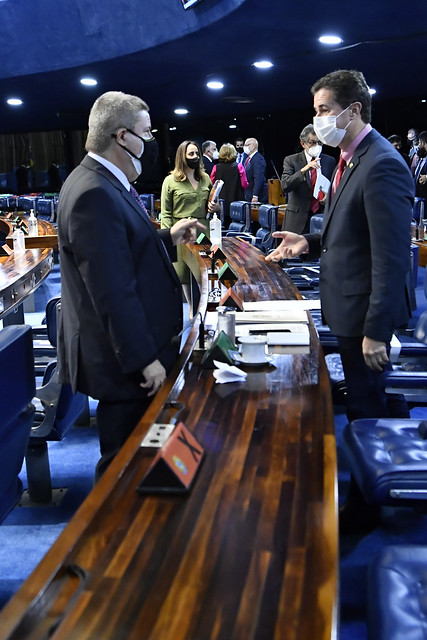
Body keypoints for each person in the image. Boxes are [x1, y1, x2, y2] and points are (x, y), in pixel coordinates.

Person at [266, 69, 414, 532]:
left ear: (354, 110)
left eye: (325, 110)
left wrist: (376, 330)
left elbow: (390, 257)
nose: (319, 120)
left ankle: (367, 509)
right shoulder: (350, 158)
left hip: (363, 313)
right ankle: (367, 490)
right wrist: (307, 241)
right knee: (361, 403)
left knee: (365, 408)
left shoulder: (382, 162)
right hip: (346, 304)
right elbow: (350, 234)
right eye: (316, 112)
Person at [57, 91, 204, 479]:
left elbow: (120, 248)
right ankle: (110, 519)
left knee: (145, 453)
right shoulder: (93, 192)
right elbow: (111, 288)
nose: (152, 140)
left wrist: (168, 236)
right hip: (125, 362)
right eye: (147, 131)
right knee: (124, 465)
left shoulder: (101, 180)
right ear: (122, 136)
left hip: (130, 351)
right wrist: (143, 359)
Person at [161, 140, 220, 303]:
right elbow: (166, 213)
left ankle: (207, 307)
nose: (195, 157)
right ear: (182, 157)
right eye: (191, 154)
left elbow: (214, 205)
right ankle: (192, 310)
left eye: (197, 154)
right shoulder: (170, 181)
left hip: (203, 231)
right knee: (183, 275)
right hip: (181, 231)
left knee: (207, 271)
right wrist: (168, 239)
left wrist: (216, 207)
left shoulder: (205, 178)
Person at [280, 124, 336, 234]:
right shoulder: (291, 160)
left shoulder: (329, 161)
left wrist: (329, 196)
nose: (317, 146)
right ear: (303, 143)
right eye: (313, 142)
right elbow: (285, 185)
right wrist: (303, 170)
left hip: (321, 216)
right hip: (297, 219)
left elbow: (335, 186)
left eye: (320, 143)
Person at [210, 142, 249, 228]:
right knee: (237, 227)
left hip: (221, 204)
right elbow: (244, 184)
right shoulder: (239, 166)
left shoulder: (216, 167)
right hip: (237, 203)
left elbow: (212, 185)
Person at [243, 137, 268, 203]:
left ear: (253, 146)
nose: (244, 147)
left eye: (247, 145)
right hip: (248, 194)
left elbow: (258, 178)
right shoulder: (247, 159)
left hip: (256, 196)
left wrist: (255, 195)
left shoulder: (258, 159)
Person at [414, 130, 427, 200]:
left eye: (419, 143)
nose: (418, 146)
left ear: (423, 143)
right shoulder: (421, 159)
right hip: (419, 199)